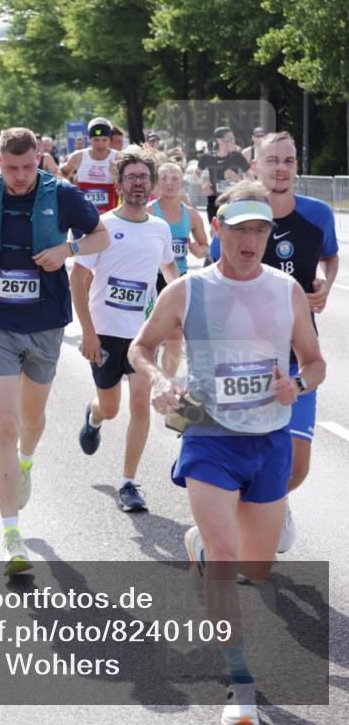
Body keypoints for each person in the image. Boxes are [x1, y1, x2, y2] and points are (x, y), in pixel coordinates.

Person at [128, 180, 325, 725]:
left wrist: (299, 386)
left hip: (270, 439)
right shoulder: (189, 289)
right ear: (218, 230)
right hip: (209, 435)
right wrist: (160, 382)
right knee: (224, 554)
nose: (251, 240)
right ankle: (239, 685)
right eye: (240, 229)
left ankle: (197, 542)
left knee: (257, 568)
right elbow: (139, 347)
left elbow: (314, 362)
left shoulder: (286, 290)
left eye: (261, 230)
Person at [0, 127, 109, 575]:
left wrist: (68, 248)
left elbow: (100, 236)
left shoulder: (61, 193)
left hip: (44, 321)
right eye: (10, 167)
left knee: (32, 420)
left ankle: (25, 462)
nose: (19, 177)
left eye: (27, 167)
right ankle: (11, 536)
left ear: (39, 158)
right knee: (6, 422)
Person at [208, 131, 338, 553]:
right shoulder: (237, 214)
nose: (281, 168)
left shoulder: (318, 214)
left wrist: (325, 286)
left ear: (296, 166)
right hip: (242, 360)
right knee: (241, 460)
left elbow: (330, 256)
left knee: (296, 466)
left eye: (289, 160)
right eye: (272, 160)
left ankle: (274, 504)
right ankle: (240, 537)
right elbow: (212, 273)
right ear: (256, 167)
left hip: (298, 358)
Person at [71, 147, 179, 512]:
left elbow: (170, 273)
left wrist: (183, 307)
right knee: (111, 407)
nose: (138, 183)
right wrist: (87, 332)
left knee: (140, 406)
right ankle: (94, 415)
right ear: (118, 183)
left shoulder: (159, 227)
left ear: (151, 186)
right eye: (131, 177)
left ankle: (129, 483)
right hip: (103, 333)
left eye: (143, 177)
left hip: (142, 335)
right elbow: (79, 277)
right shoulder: (102, 226)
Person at [148, 162, 209, 377]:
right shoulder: (148, 211)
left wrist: (196, 249)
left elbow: (205, 248)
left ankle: (168, 380)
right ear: (156, 183)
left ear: (182, 182)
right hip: (150, 279)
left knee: (176, 333)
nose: (170, 183)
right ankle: (148, 375)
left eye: (174, 178)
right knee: (151, 332)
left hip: (178, 279)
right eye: (164, 178)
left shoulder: (191, 215)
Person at [61, 117, 119, 214]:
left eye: (104, 140)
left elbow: (128, 186)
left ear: (109, 140)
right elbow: (61, 173)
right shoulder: (78, 156)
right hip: (84, 214)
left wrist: (117, 178)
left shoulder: (118, 157)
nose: (100, 144)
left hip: (109, 215)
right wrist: (71, 187)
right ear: (89, 139)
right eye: (96, 140)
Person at [195, 126, 250, 223]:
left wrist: (238, 180)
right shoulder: (208, 157)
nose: (232, 141)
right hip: (214, 198)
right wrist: (202, 183)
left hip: (233, 198)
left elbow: (251, 178)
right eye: (229, 138)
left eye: (233, 138)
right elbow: (196, 174)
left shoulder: (237, 156)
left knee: (232, 228)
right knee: (214, 230)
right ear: (219, 140)